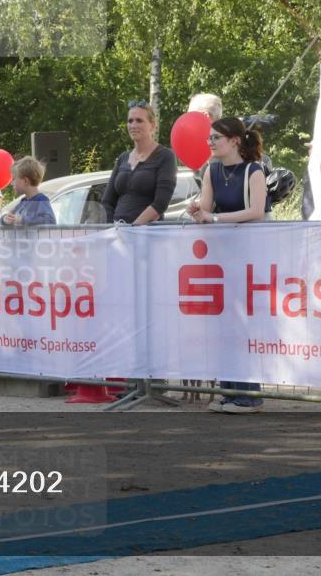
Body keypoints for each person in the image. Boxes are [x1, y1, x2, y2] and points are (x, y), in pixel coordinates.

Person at [185, 117, 268, 413]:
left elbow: (256, 211)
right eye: (209, 138)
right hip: (223, 257)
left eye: (215, 137)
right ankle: (232, 391)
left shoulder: (253, 171)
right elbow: (206, 208)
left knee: (245, 325)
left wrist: (215, 218)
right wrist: (197, 211)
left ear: (234, 140)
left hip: (250, 256)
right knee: (226, 324)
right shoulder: (212, 170)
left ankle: (250, 395)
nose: (210, 142)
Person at [101, 100, 178, 225]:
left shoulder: (166, 156)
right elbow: (107, 201)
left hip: (147, 235)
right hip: (118, 233)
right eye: (130, 121)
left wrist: (133, 228)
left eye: (139, 120)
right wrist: (112, 228)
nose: (133, 125)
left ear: (152, 125)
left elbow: (160, 204)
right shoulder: (123, 158)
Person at [2, 156, 56, 226]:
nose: (11, 183)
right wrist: (4, 219)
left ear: (25, 181)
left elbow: (49, 220)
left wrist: (22, 220)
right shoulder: (24, 202)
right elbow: (11, 216)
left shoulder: (40, 200)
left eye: (14, 179)